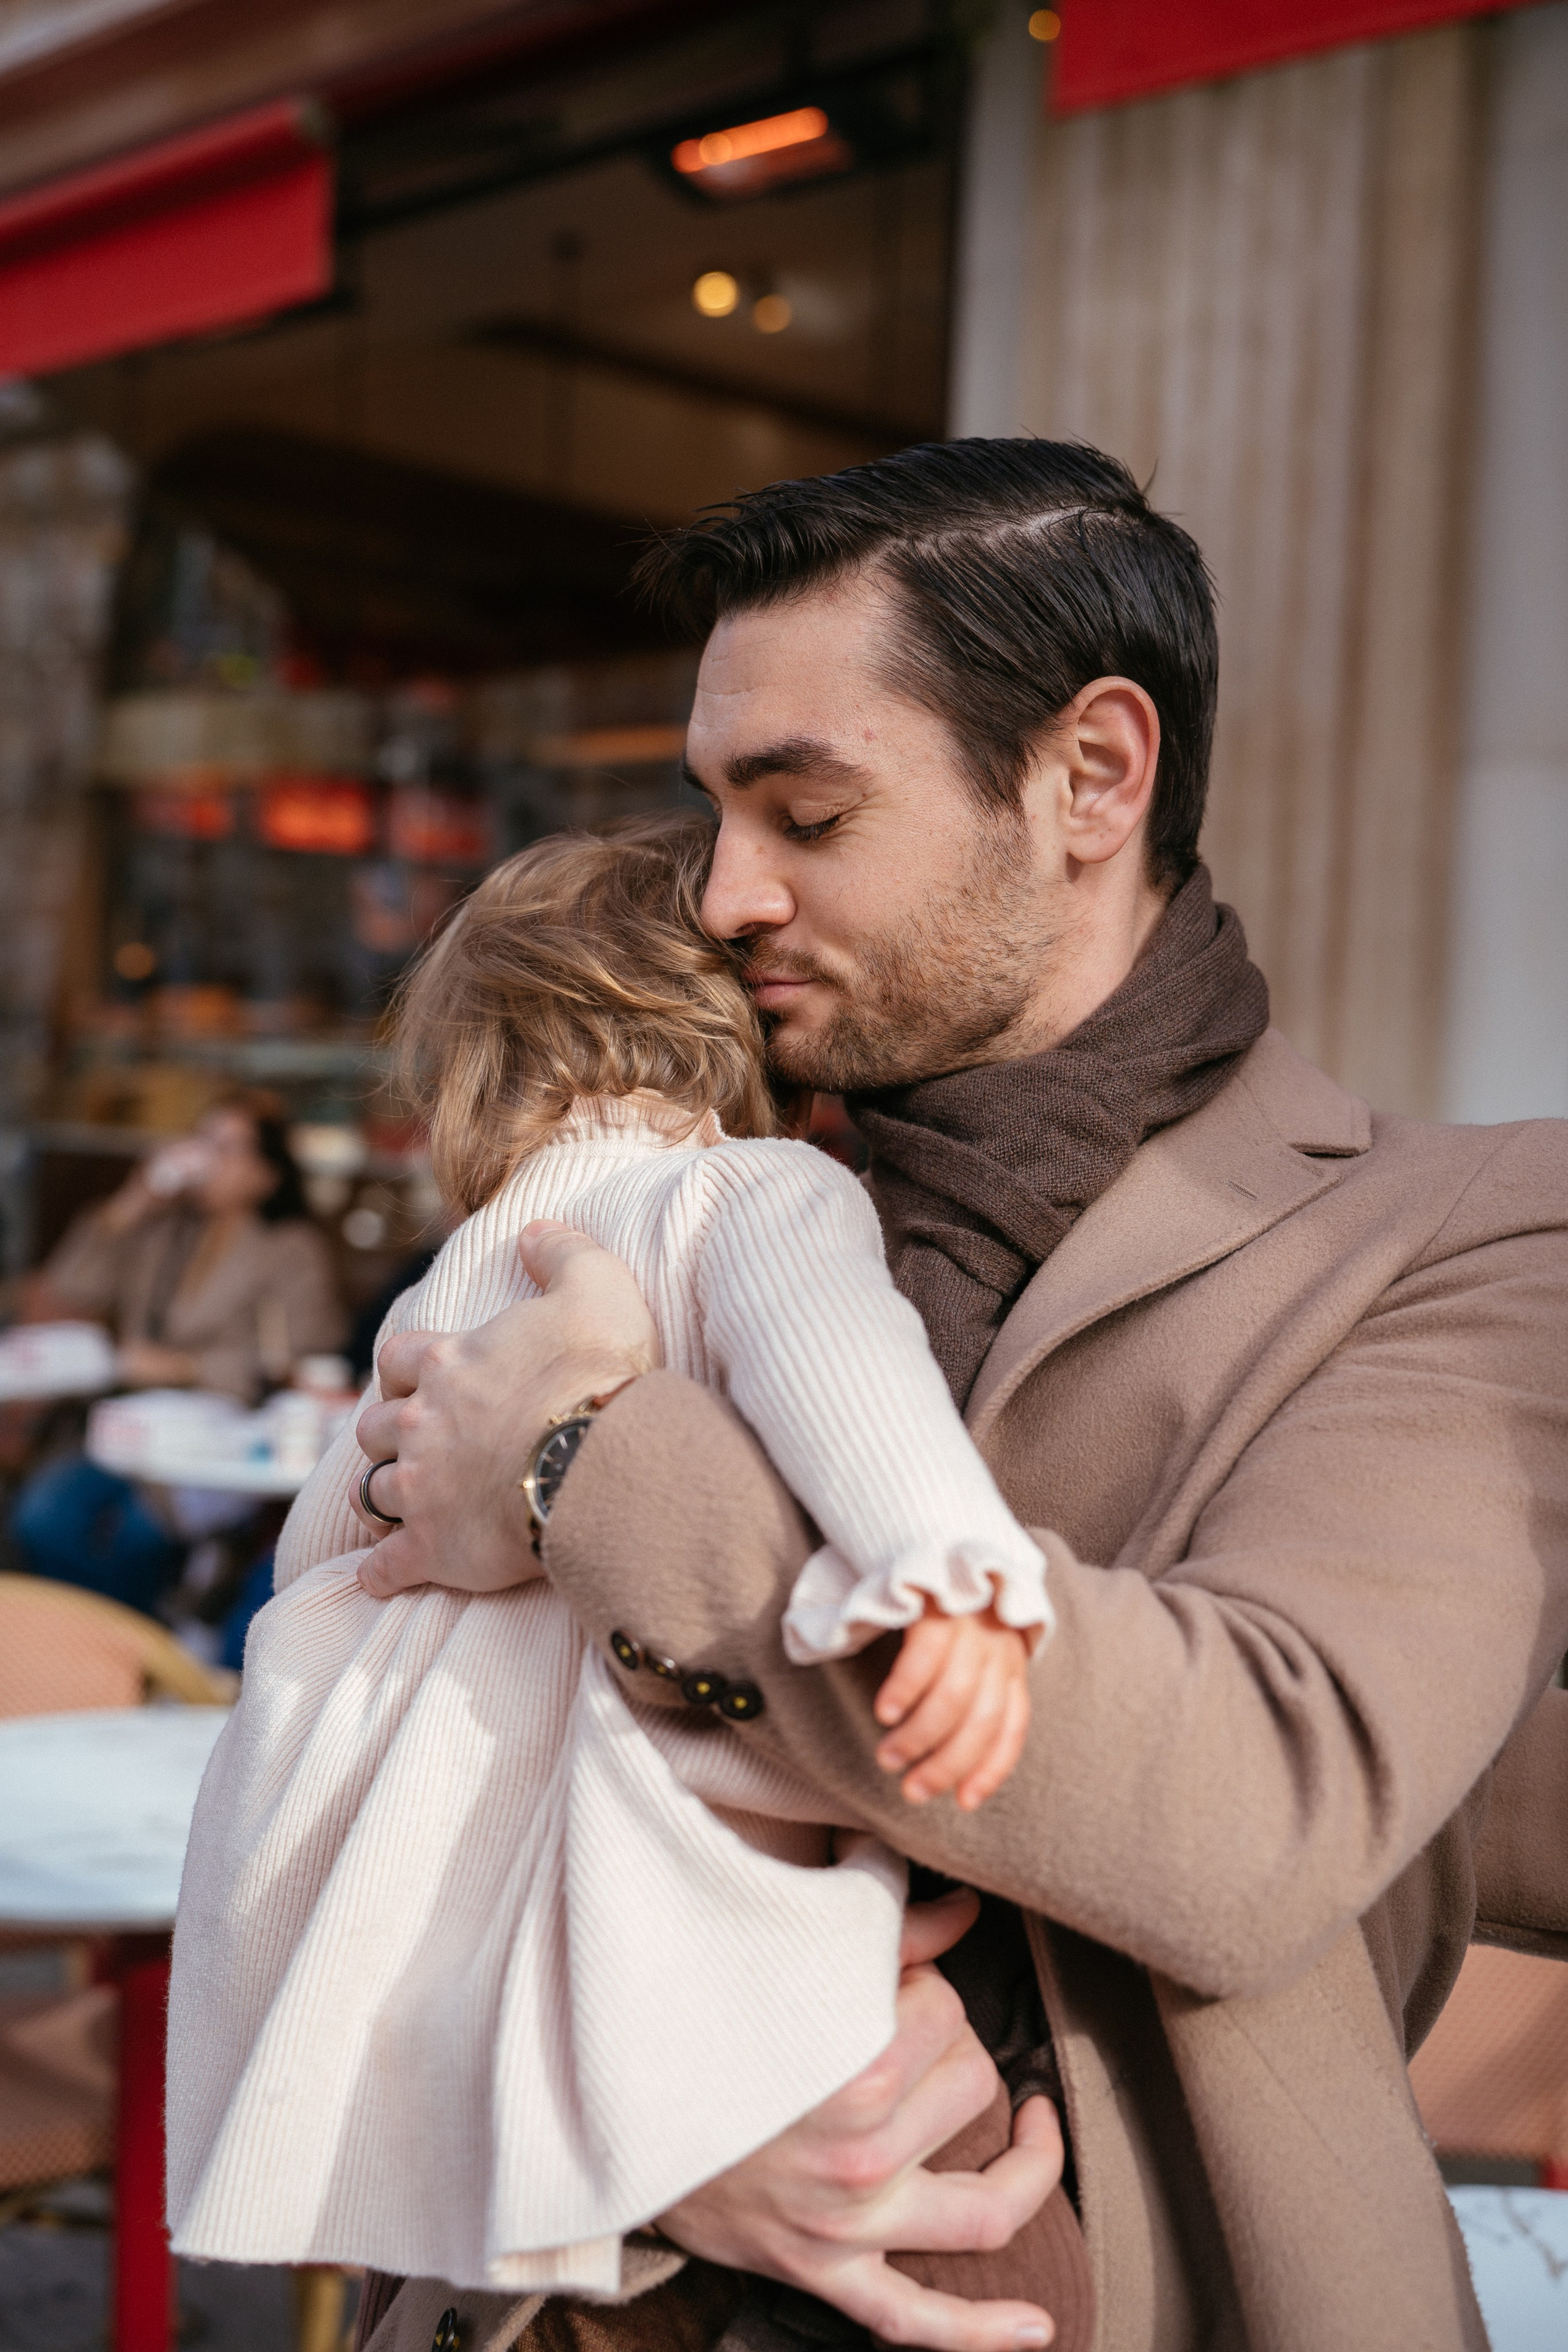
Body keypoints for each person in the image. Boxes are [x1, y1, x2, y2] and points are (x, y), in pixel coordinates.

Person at [345, 440, 1568, 2352]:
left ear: (1092, 775)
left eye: (808, 813)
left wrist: (585, 1464)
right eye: (714, 814)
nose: (725, 892)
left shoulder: (1449, 1230)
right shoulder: (685, 1169)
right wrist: (619, 2129)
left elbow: (1254, 1806)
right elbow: (376, 1755)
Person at [167, 817, 1071, 2345]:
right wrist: (943, 1564)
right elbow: (845, 1378)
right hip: (672, 1839)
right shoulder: (756, 1187)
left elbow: (322, 1555)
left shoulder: (466, 1264)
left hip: (449, 1861)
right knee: (1016, 2282)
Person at [10, 1092, 344, 1612]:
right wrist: (132, 1203)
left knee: (137, 1535)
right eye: (202, 1140)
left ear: (265, 1175)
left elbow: (299, 1354)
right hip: (125, 1424)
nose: (207, 1158)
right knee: (43, 1516)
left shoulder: (289, 1247)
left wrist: (184, 1366)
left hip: (217, 1430)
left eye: (227, 1148)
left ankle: (126, 1638)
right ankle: (97, 1633)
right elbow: (70, 1287)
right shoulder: (161, 1228)